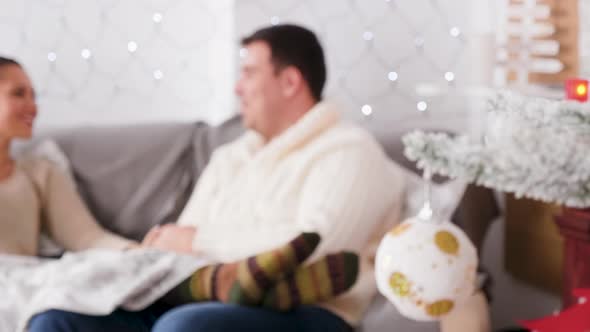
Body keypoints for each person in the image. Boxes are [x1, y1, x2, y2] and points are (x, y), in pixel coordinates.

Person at [0, 56, 135, 256]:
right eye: (19, 94)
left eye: (33, 97)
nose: (33, 108)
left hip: (21, 282)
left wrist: (142, 252)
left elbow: (89, 238)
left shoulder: (40, 173)